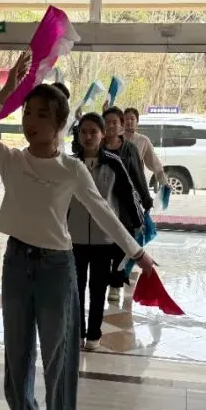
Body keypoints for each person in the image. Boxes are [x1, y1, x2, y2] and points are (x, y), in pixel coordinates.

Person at [0, 51, 155, 410]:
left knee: (58, 355)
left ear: (60, 124)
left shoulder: (72, 170)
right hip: (17, 263)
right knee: (17, 352)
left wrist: (137, 252)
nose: (31, 122)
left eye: (42, 115)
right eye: (28, 113)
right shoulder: (12, 160)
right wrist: (10, 87)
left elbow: (103, 212)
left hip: (56, 267)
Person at [69, 113, 145, 351]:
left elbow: (128, 196)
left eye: (94, 131)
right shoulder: (70, 164)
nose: (88, 136)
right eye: (84, 132)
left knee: (98, 288)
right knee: (76, 288)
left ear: (103, 134)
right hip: (74, 239)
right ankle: (78, 332)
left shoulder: (114, 163)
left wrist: (136, 224)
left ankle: (94, 334)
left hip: (104, 239)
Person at [102, 106, 153, 302]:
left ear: (121, 126)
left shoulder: (130, 149)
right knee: (103, 248)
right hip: (102, 204)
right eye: (107, 122)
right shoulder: (96, 147)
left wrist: (146, 201)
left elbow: (138, 177)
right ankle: (102, 282)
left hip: (125, 205)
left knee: (121, 246)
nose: (110, 126)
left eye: (114, 122)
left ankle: (115, 285)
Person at [122, 107, 167, 188]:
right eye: (126, 119)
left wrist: (163, 181)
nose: (129, 121)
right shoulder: (115, 138)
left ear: (137, 122)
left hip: (136, 184)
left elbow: (154, 162)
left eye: (132, 119)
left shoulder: (143, 140)